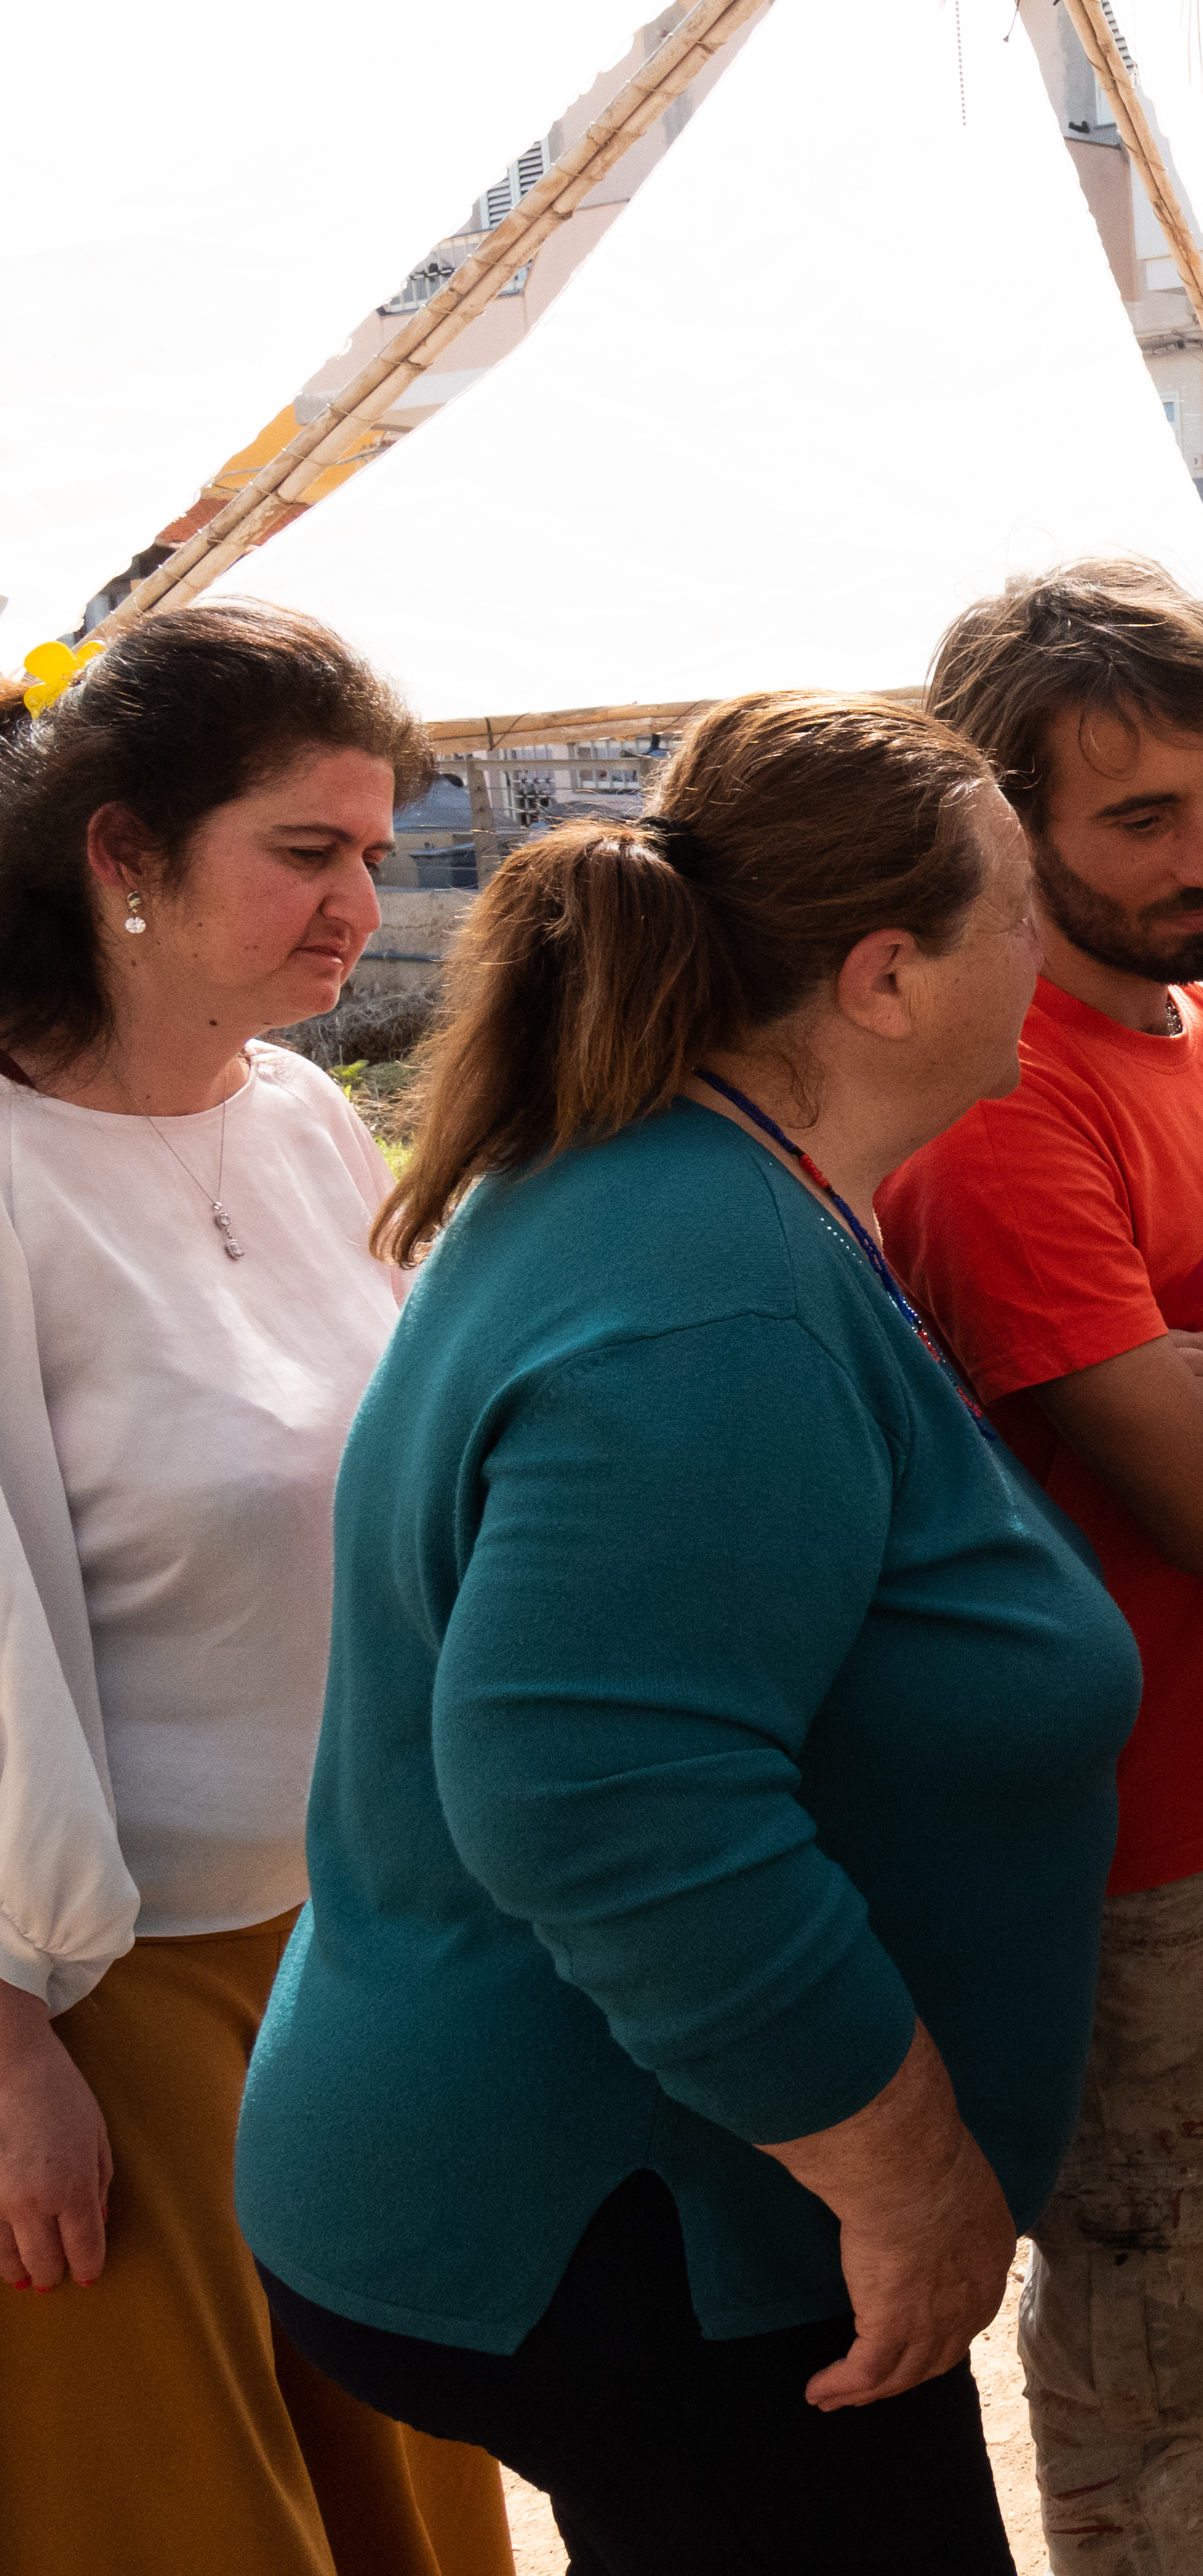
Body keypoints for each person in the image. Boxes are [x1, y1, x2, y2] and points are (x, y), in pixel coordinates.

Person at [232, 691, 1139, 2574]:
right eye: (1016, 909)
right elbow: (599, 1790)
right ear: (883, 978)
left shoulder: (703, 1193)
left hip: (634, 2214)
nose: (1045, 941)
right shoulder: (706, 1287)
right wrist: (902, 2176)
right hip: (646, 2236)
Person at [0, 604, 510, 2576]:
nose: (359, 901)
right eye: (307, 850)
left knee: (411, 2494)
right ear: (120, 853)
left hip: (363, 1936)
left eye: (377, 848)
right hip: (113, 1991)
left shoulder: (303, 1116)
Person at [878, 561, 1203, 2573]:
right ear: (1000, 822)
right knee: (1149, 2380)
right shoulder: (1000, 1109)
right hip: (1121, 1834)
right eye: (1138, 814)